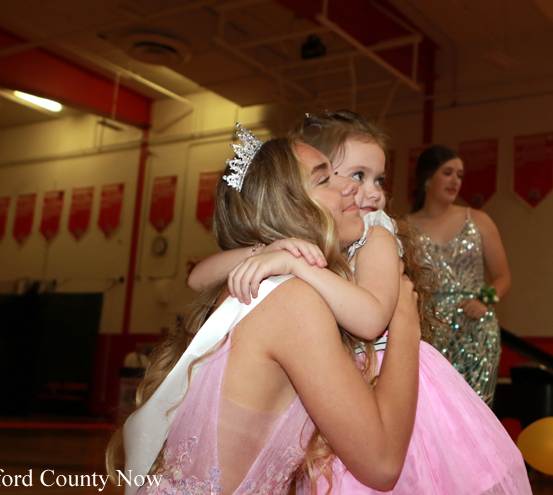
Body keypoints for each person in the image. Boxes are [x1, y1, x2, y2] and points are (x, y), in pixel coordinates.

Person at [192, 112, 532, 495]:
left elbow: (370, 319)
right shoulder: (303, 261)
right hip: (352, 384)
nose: (367, 191)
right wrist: (268, 251)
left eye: (378, 179)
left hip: (390, 376)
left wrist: (297, 265)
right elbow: (197, 277)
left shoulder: (374, 235)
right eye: (352, 176)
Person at [107, 133, 423, 495]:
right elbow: (381, 465)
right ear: (290, 210)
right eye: (324, 179)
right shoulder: (292, 301)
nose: (351, 187)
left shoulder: (267, 287)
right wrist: (405, 324)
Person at [408, 145, 511, 406]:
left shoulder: (478, 220)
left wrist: (484, 301)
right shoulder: (404, 226)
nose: (455, 180)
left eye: (460, 175)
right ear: (427, 177)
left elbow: (503, 277)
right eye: (448, 173)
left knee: (475, 407)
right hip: (427, 329)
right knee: (430, 407)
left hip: (475, 332)